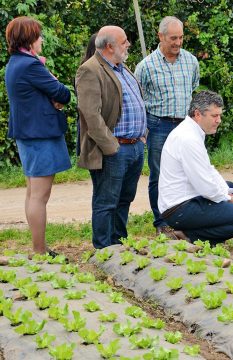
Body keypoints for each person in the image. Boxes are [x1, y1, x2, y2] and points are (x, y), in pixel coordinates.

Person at [76, 25, 147, 249]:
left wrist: (142, 135)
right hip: (115, 150)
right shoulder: (91, 70)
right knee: (106, 202)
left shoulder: (122, 67)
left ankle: (119, 245)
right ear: (109, 46)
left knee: (124, 200)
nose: (128, 44)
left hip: (135, 146)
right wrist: (112, 147)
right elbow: (90, 115)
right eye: (124, 41)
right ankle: (104, 250)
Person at [5, 16, 71, 256]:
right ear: (29, 39)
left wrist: (50, 94)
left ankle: (38, 248)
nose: (42, 39)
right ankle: (40, 251)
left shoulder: (15, 63)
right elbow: (63, 94)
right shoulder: (31, 65)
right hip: (39, 136)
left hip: (29, 135)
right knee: (39, 196)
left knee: (33, 193)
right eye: (38, 35)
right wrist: (55, 88)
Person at [158, 91, 233, 245]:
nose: (219, 120)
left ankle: (196, 232)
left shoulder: (192, 131)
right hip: (179, 209)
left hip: (187, 198)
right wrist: (228, 198)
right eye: (214, 116)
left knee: (229, 186)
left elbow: (208, 170)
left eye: (220, 115)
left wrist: (226, 192)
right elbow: (205, 185)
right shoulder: (188, 139)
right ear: (198, 114)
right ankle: (191, 235)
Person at [135, 16, 199, 237]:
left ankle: (185, 220)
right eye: (173, 38)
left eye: (181, 37)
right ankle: (161, 221)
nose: (178, 42)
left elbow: (193, 88)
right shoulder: (145, 66)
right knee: (159, 174)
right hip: (159, 125)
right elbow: (139, 99)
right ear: (160, 36)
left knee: (188, 172)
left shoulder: (191, 61)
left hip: (185, 125)